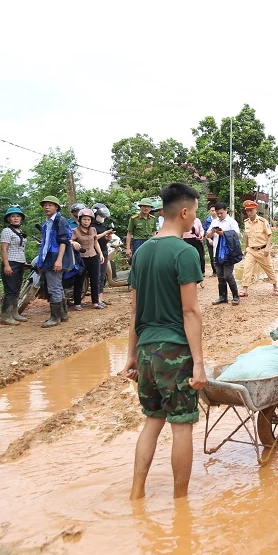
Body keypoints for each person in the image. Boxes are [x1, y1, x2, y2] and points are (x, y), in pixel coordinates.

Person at [122, 182, 206, 500]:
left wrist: (130, 355)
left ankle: (136, 493)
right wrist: (198, 364)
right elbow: (190, 311)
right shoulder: (184, 252)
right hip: (174, 350)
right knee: (181, 425)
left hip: (144, 350)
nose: (194, 219)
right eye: (194, 213)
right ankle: (180, 503)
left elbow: (134, 311)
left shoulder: (142, 253)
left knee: (152, 420)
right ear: (184, 212)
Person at [34, 195, 73, 328]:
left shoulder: (60, 221)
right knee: (57, 286)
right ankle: (63, 314)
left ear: (56, 207)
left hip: (55, 257)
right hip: (48, 258)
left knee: (54, 287)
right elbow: (44, 245)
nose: (46, 207)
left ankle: (55, 317)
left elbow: (64, 241)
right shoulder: (47, 224)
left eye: (50, 204)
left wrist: (59, 260)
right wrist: (41, 262)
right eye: (45, 205)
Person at [239, 200, 278, 297]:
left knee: (269, 268)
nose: (249, 213)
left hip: (262, 250)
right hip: (251, 250)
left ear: (255, 210)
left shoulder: (262, 221)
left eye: (251, 210)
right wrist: (246, 249)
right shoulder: (246, 222)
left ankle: (275, 287)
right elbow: (247, 237)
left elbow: (269, 235)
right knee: (247, 269)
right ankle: (244, 289)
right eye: (247, 211)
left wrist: (267, 248)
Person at [205, 201, 242, 305]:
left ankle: (236, 296)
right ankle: (222, 297)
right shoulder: (214, 222)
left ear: (226, 211)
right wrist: (212, 232)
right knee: (220, 276)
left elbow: (237, 234)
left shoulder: (231, 222)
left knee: (228, 275)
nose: (219, 215)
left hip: (228, 253)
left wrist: (223, 233)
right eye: (218, 213)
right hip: (217, 252)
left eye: (221, 213)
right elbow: (207, 236)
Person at [0, 206, 29, 325]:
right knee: (10, 290)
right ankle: (5, 316)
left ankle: (15, 313)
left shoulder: (19, 231)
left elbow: (19, 249)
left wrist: (23, 263)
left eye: (18, 216)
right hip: (10, 263)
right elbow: (3, 249)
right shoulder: (7, 231)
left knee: (16, 290)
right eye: (13, 216)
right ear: (8, 219)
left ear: (21, 218)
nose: (16, 218)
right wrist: (7, 265)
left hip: (19, 263)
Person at [71, 208, 105, 310]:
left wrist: (101, 254)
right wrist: (73, 242)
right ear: (80, 220)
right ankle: (77, 303)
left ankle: (95, 302)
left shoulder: (93, 230)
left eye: (88, 220)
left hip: (93, 256)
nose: (86, 222)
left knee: (95, 279)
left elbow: (95, 242)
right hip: (81, 258)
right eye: (84, 219)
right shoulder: (75, 231)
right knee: (79, 280)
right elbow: (69, 241)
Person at [91, 203, 115, 303]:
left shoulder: (102, 226)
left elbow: (102, 240)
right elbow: (94, 239)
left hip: (104, 251)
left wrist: (108, 238)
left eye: (104, 216)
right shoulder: (92, 226)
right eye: (101, 215)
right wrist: (105, 233)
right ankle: (96, 299)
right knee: (96, 276)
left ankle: (100, 297)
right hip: (95, 253)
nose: (103, 217)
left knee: (102, 276)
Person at [183, 213, 206, 281]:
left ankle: (202, 272)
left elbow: (201, 230)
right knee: (187, 258)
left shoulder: (197, 220)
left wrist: (201, 235)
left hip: (196, 240)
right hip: (185, 241)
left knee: (200, 257)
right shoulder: (183, 220)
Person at [202, 205, 216, 277]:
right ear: (210, 211)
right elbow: (204, 231)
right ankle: (214, 271)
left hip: (218, 240)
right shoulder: (207, 221)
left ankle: (220, 271)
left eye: (215, 210)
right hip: (210, 239)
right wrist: (209, 239)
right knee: (211, 256)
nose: (214, 212)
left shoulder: (220, 220)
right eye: (212, 211)